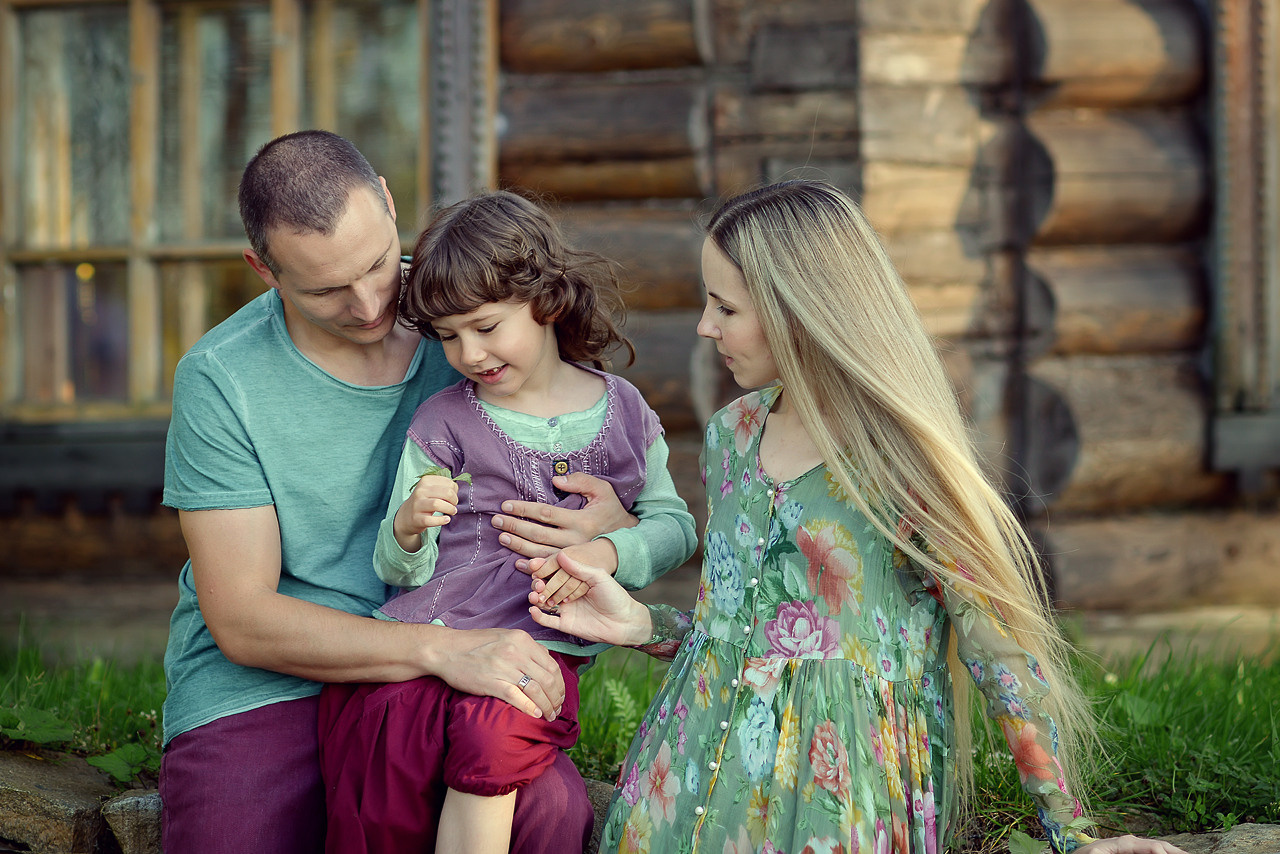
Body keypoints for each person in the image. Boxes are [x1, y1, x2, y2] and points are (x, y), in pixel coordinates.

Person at [528, 180, 1189, 854]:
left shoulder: (900, 463)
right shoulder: (732, 435)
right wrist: (641, 624)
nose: (704, 325)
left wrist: (1073, 835)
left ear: (800, 309)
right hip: (685, 788)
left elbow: (1002, 657)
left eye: (726, 306)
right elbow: (748, 631)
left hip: (835, 804)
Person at [159, 130, 647, 854]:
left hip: (462, 656)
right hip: (274, 684)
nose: (368, 305)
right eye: (326, 288)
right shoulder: (222, 379)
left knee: (546, 814)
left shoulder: (474, 316)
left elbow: (603, 454)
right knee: (234, 833)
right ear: (263, 270)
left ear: (389, 204)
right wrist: (435, 652)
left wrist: (610, 524)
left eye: (379, 264)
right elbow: (243, 620)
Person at [317, 190, 698, 854]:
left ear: (546, 300)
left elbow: (674, 526)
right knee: (388, 751)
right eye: (447, 336)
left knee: (497, 736)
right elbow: (396, 567)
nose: (467, 353)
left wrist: (610, 550)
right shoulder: (444, 419)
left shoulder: (624, 413)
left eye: (485, 327)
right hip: (430, 634)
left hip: (536, 647)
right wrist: (410, 527)